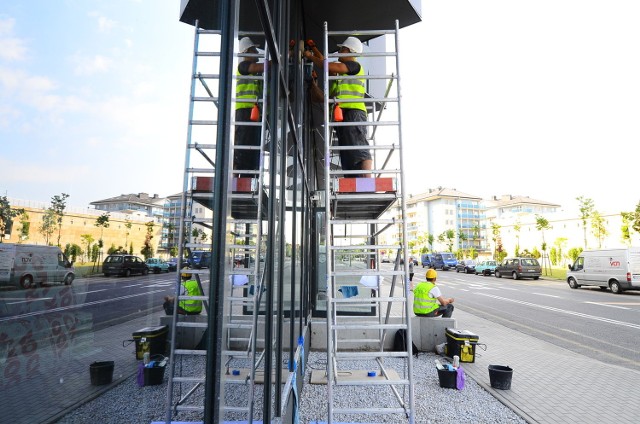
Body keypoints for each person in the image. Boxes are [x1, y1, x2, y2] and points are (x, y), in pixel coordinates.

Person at [303, 36, 372, 177]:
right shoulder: (340, 76)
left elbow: (325, 65)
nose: (339, 51)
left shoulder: (354, 66)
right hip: (343, 115)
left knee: (359, 149)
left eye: (342, 49)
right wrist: (315, 50)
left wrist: (309, 55)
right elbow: (326, 67)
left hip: (354, 112)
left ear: (349, 51)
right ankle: (352, 184)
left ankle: (367, 182)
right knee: (348, 154)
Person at [234, 36, 264, 177]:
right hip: (244, 112)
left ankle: (251, 177)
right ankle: (241, 178)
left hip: (252, 113)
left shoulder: (255, 73)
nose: (257, 53)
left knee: (253, 149)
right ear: (247, 51)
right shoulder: (243, 66)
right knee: (244, 147)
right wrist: (277, 61)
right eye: (254, 50)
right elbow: (262, 66)